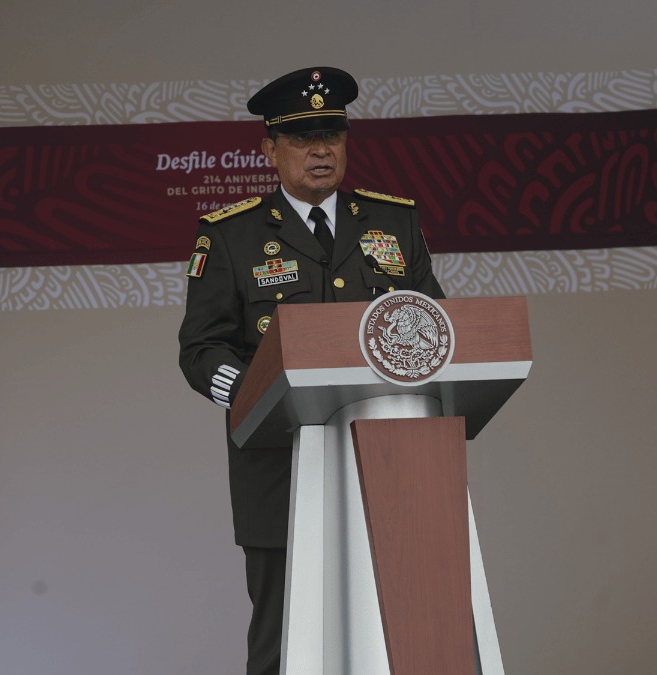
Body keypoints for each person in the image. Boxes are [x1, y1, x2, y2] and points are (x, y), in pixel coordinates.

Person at [177, 66, 444, 675]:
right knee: (285, 640)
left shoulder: (394, 222)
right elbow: (201, 349)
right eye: (302, 137)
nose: (321, 150)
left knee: (403, 634)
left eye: (332, 135)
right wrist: (254, 394)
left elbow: (435, 325)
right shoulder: (230, 235)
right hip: (280, 468)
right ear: (270, 150)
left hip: (391, 464)